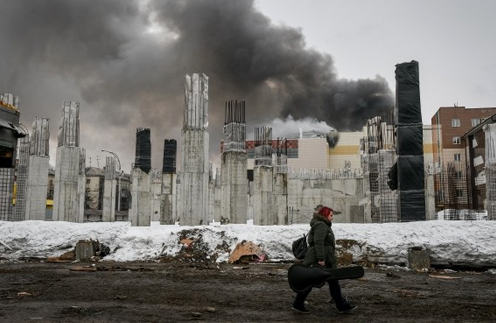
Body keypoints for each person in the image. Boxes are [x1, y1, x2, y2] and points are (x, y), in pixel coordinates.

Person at [292, 206, 357, 314]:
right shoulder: (321, 225)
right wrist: (321, 259)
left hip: (327, 260)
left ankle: (340, 305)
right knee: (311, 282)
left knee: (333, 282)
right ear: (325, 215)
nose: (332, 217)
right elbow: (318, 242)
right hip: (318, 259)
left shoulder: (324, 225)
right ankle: (298, 303)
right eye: (331, 215)